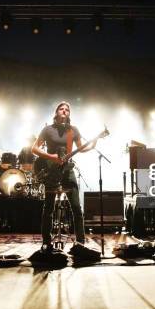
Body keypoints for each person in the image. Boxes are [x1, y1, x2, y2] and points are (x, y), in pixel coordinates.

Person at [31, 101, 100, 260]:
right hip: (51, 172)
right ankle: (46, 243)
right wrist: (51, 157)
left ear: (69, 114)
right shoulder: (48, 130)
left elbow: (81, 148)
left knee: (76, 207)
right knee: (48, 209)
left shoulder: (73, 130)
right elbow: (34, 148)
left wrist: (95, 141)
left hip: (68, 171)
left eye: (67, 109)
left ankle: (80, 243)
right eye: (61, 109)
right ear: (56, 112)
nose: (64, 111)